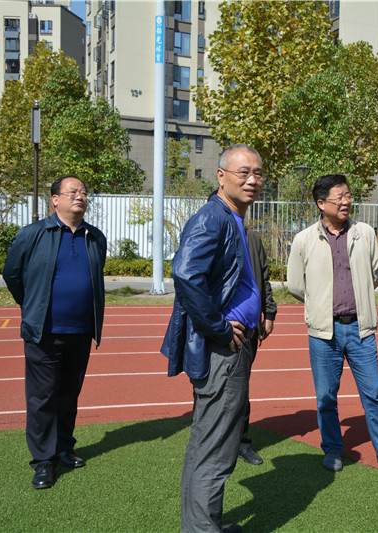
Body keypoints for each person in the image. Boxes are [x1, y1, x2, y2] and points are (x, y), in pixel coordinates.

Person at [161, 144, 265, 533]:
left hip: (231, 345)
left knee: (210, 442)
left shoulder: (230, 217)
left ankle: (203, 525)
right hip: (224, 347)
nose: (252, 179)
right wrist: (219, 326)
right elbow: (186, 275)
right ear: (221, 176)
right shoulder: (213, 218)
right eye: (244, 172)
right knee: (217, 448)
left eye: (258, 173)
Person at [287, 174, 378, 474]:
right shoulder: (304, 239)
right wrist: (320, 304)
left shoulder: (364, 233)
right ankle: (332, 448)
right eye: (339, 197)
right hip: (323, 332)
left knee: (374, 393)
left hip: (361, 328)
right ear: (321, 203)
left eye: (348, 195)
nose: (346, 202)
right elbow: (295, 285)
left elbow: (375, 275)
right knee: (326, 396)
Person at [3, 176, 107, 490]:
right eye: (72, 191)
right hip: (44, 332)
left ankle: (63, 448)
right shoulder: (33, 234)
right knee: (42, 398)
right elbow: (12, 273)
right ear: (55, 200)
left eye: (84, 192)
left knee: (68, 395)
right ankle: (43, 461)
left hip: (82, 330)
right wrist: (32, 304)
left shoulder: (95, 237)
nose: (80, 196)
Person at [237, 226, 277, 465]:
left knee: (241, 387)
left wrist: (269, 313)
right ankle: (212, 441)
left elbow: (264, 278)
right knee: (213, 389)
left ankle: (241, 442)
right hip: (218, 330)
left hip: (248, 330)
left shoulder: (252, 239)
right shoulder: (212, 233)